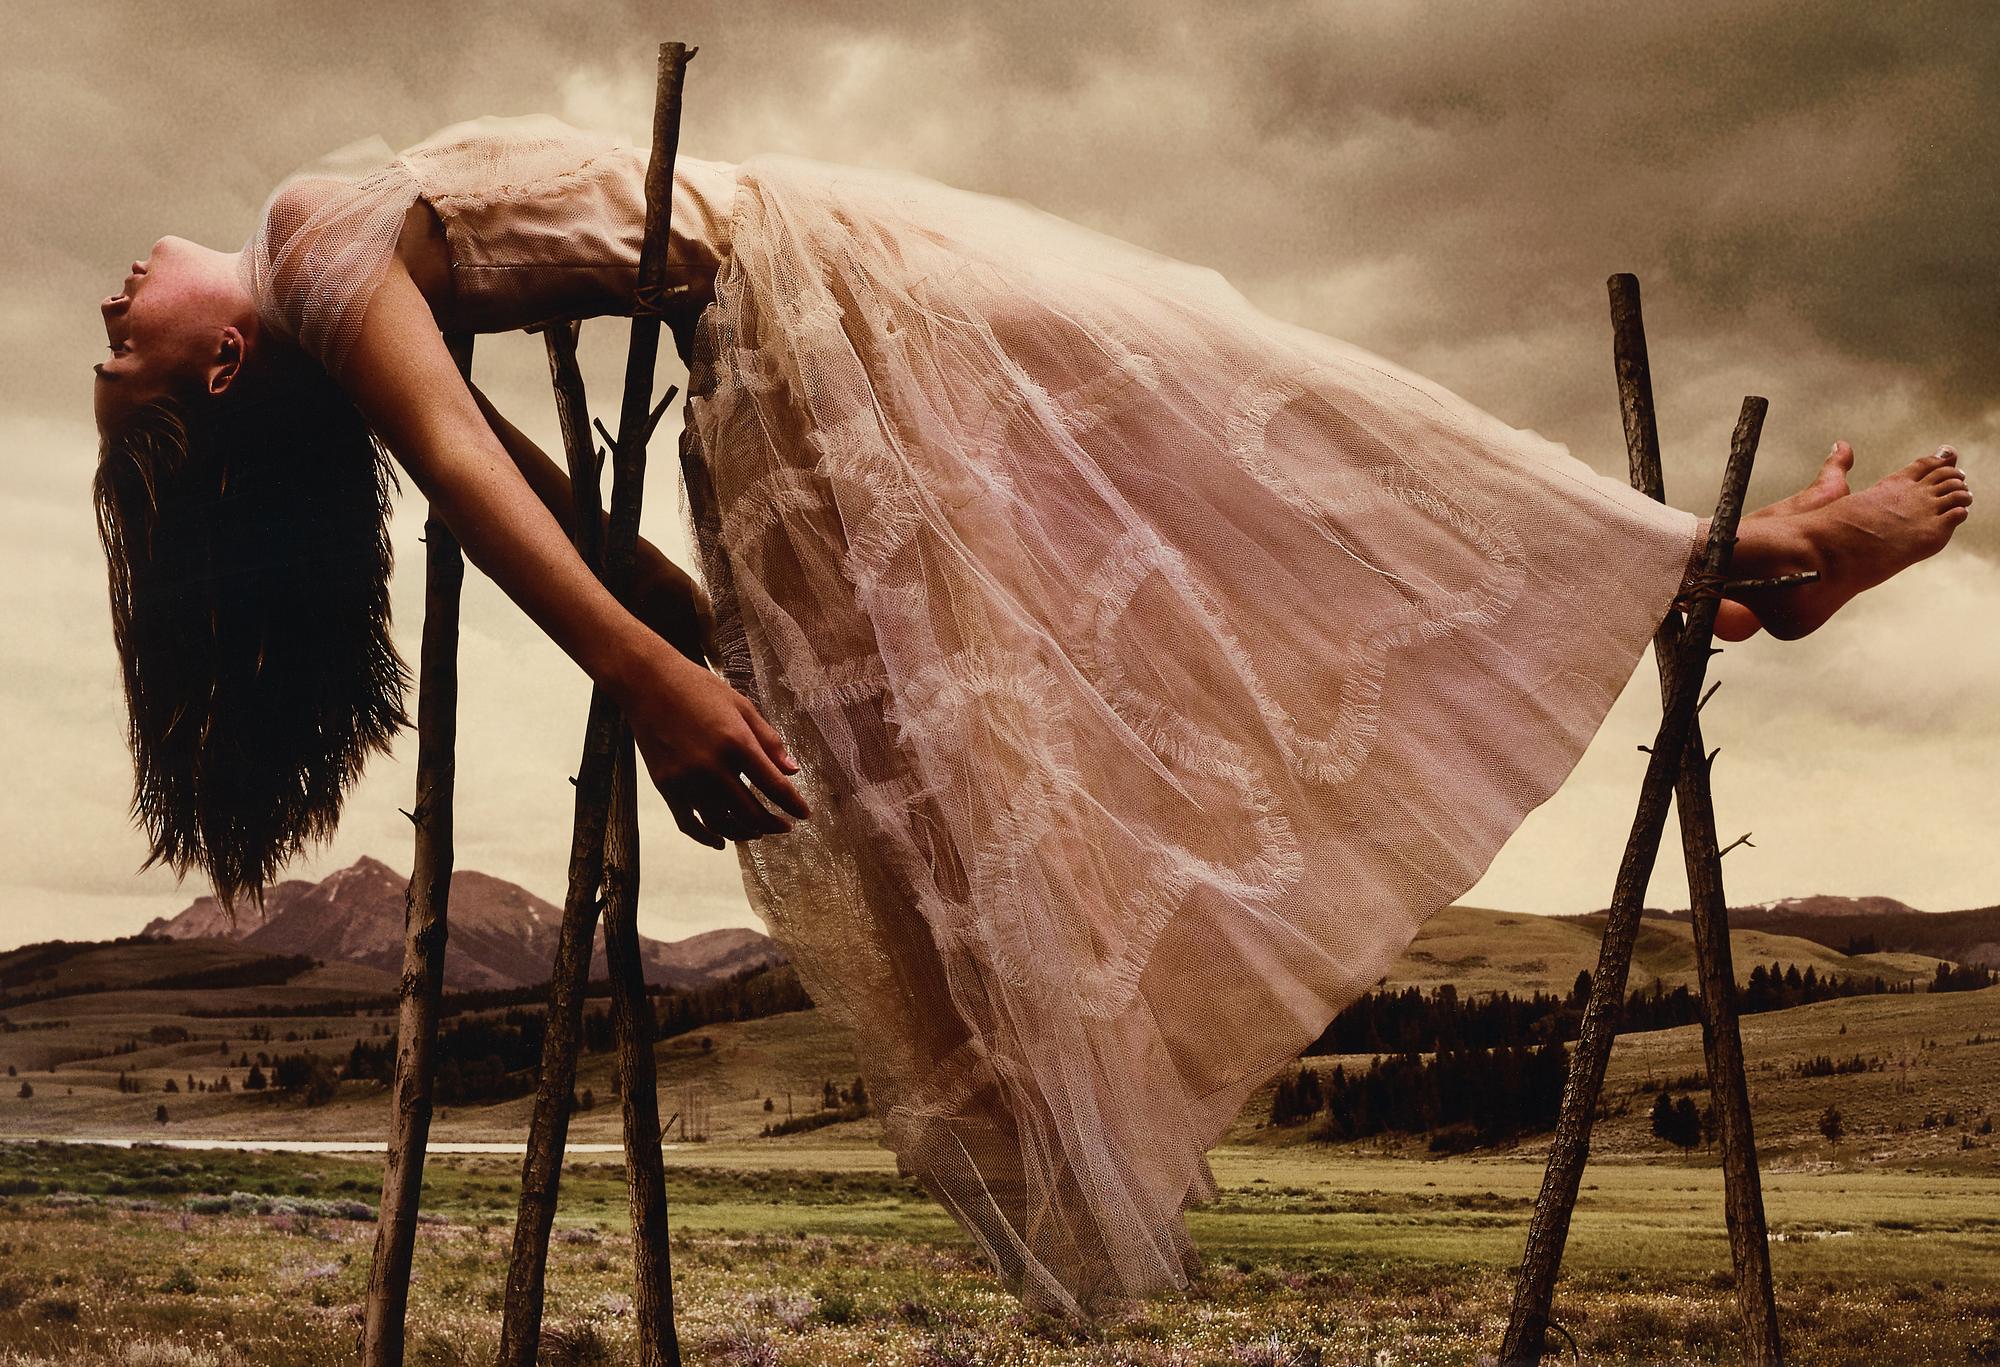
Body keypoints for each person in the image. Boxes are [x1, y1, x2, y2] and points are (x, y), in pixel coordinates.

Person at [90, 114, 1971, 1315]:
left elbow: (549, 515)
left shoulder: (333, 299)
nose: (113, 303)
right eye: (125, 355)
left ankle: (1716, 564)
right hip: (822, 300)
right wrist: (670, 683)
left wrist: (686, 642)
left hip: (796, 322)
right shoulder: (309, 248)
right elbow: (498, 507)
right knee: (1251, 432)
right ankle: (1725, 558)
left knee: (1206, 483)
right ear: (226, 356)